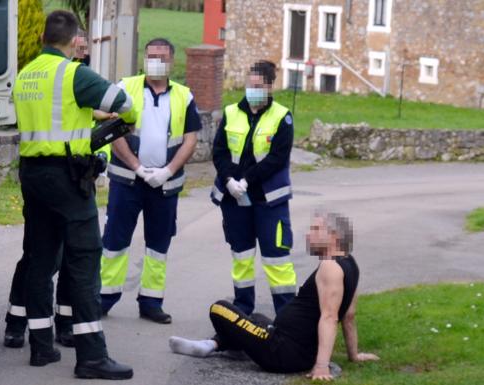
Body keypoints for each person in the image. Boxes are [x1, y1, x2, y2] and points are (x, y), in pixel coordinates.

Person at [12, 10, 134, 379]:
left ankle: (42, 348)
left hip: (32, 175)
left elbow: (49, 118)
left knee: (40, 258)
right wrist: (98, 115)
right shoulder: (73, 73)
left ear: (43, 37)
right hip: (66, 178)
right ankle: (91, 357)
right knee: (84, 260)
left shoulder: (25, 74)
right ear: (73, 40)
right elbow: (123, 103)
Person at [168, 212, 380, 381]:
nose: (309, 235)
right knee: (258, 319)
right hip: (292, 348)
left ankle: (215, 344)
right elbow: (349, 317)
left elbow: (330, 317)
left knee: (219, 308)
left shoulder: (330, 266)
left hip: (283, 353)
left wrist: (322, 366)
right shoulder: (351, 264)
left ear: (334, 237)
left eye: (316, 230)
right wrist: (354, 355)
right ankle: (213, 345)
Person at [99, 38, 202, 324]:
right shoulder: (126, 88)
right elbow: (112, 130)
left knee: (158, 245)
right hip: (128, 181)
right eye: (151, 55)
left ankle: (151, 302)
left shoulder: (184, 96)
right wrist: (138, 167)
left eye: (161, 56)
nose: (155, 60)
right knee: (114, 241)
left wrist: (168, 171)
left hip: (164, 185)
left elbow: (191, 139)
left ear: (171, 61)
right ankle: (104, 298)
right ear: (144, 58)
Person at [211, 60, 297, 315]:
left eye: (258, 86)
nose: (253, 90)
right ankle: (242, 311)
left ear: (271, 86)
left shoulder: (282, 116)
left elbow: (277, 159)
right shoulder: (231, 112)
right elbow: (219, 151)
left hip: (268, 200)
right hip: (235, 198)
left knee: (277, 259)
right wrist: (228, 181)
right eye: (250, 84)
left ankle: (287, 318)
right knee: (242, 257)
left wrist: (247, 180)